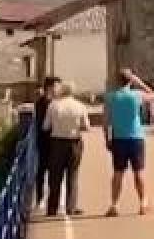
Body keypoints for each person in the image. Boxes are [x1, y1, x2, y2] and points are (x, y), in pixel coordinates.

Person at [102, 67, 154, 216]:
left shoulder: (110, 97)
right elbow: (152, 95)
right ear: (130, 81)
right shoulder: (136, 95)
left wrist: (107, 139)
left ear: (117, 81)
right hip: (136, 138)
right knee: (139, 172)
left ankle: (114, 205)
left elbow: (106, 122)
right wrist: (139, 82)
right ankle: (143, 203)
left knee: (118, 173)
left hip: (119, 138)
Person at [43, 81, 91, 217]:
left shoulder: (53, 105)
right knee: (73, 175)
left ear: (61, 91)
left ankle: (52, 208)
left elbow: (46, 126)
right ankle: (71, 207)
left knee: (55, 177)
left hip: (57, 143)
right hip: (74, 142)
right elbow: (86, 127)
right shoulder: (80, 106)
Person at [33, 76, 60, 207]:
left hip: (53, 140)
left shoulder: (53, 102)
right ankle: (40, 198)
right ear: (50, 87)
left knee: (53, 170)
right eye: (56, 86)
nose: (58, 89)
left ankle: (49, 197)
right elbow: (44, 123)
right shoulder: (43, 103)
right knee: (43, 169)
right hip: (45, 140)